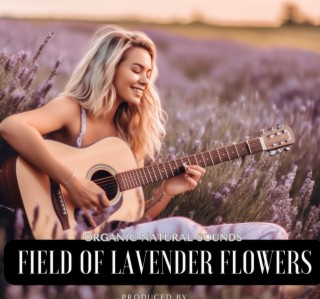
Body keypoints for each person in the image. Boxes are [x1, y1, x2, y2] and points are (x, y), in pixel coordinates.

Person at [0, 25, 288, 240]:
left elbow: (130, 223)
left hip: (110, 237)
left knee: (269, 234)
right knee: (184, 230)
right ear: (108, 68)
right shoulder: (72, 109)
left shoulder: (125, 139)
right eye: (137, 70)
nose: (144, 81)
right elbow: (12, 126)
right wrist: (74, 182)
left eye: (149, 74)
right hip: (70, 237)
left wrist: (166, 192)